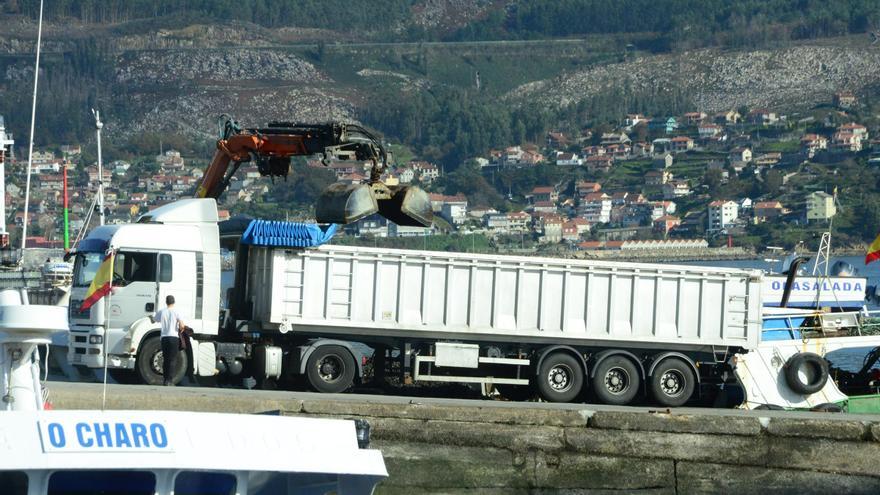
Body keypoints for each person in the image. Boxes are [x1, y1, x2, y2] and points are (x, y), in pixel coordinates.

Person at [154, 295, 184, 386]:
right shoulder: (176, 311)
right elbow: (182, 325)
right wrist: (181, 328)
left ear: (166, 302)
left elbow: (155, 319)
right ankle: (169, 381)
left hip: (164, 338)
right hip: (173, 337)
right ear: (173, 302)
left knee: (166, 359)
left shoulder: (162, 311)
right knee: (172, 359)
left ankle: (165, 380)